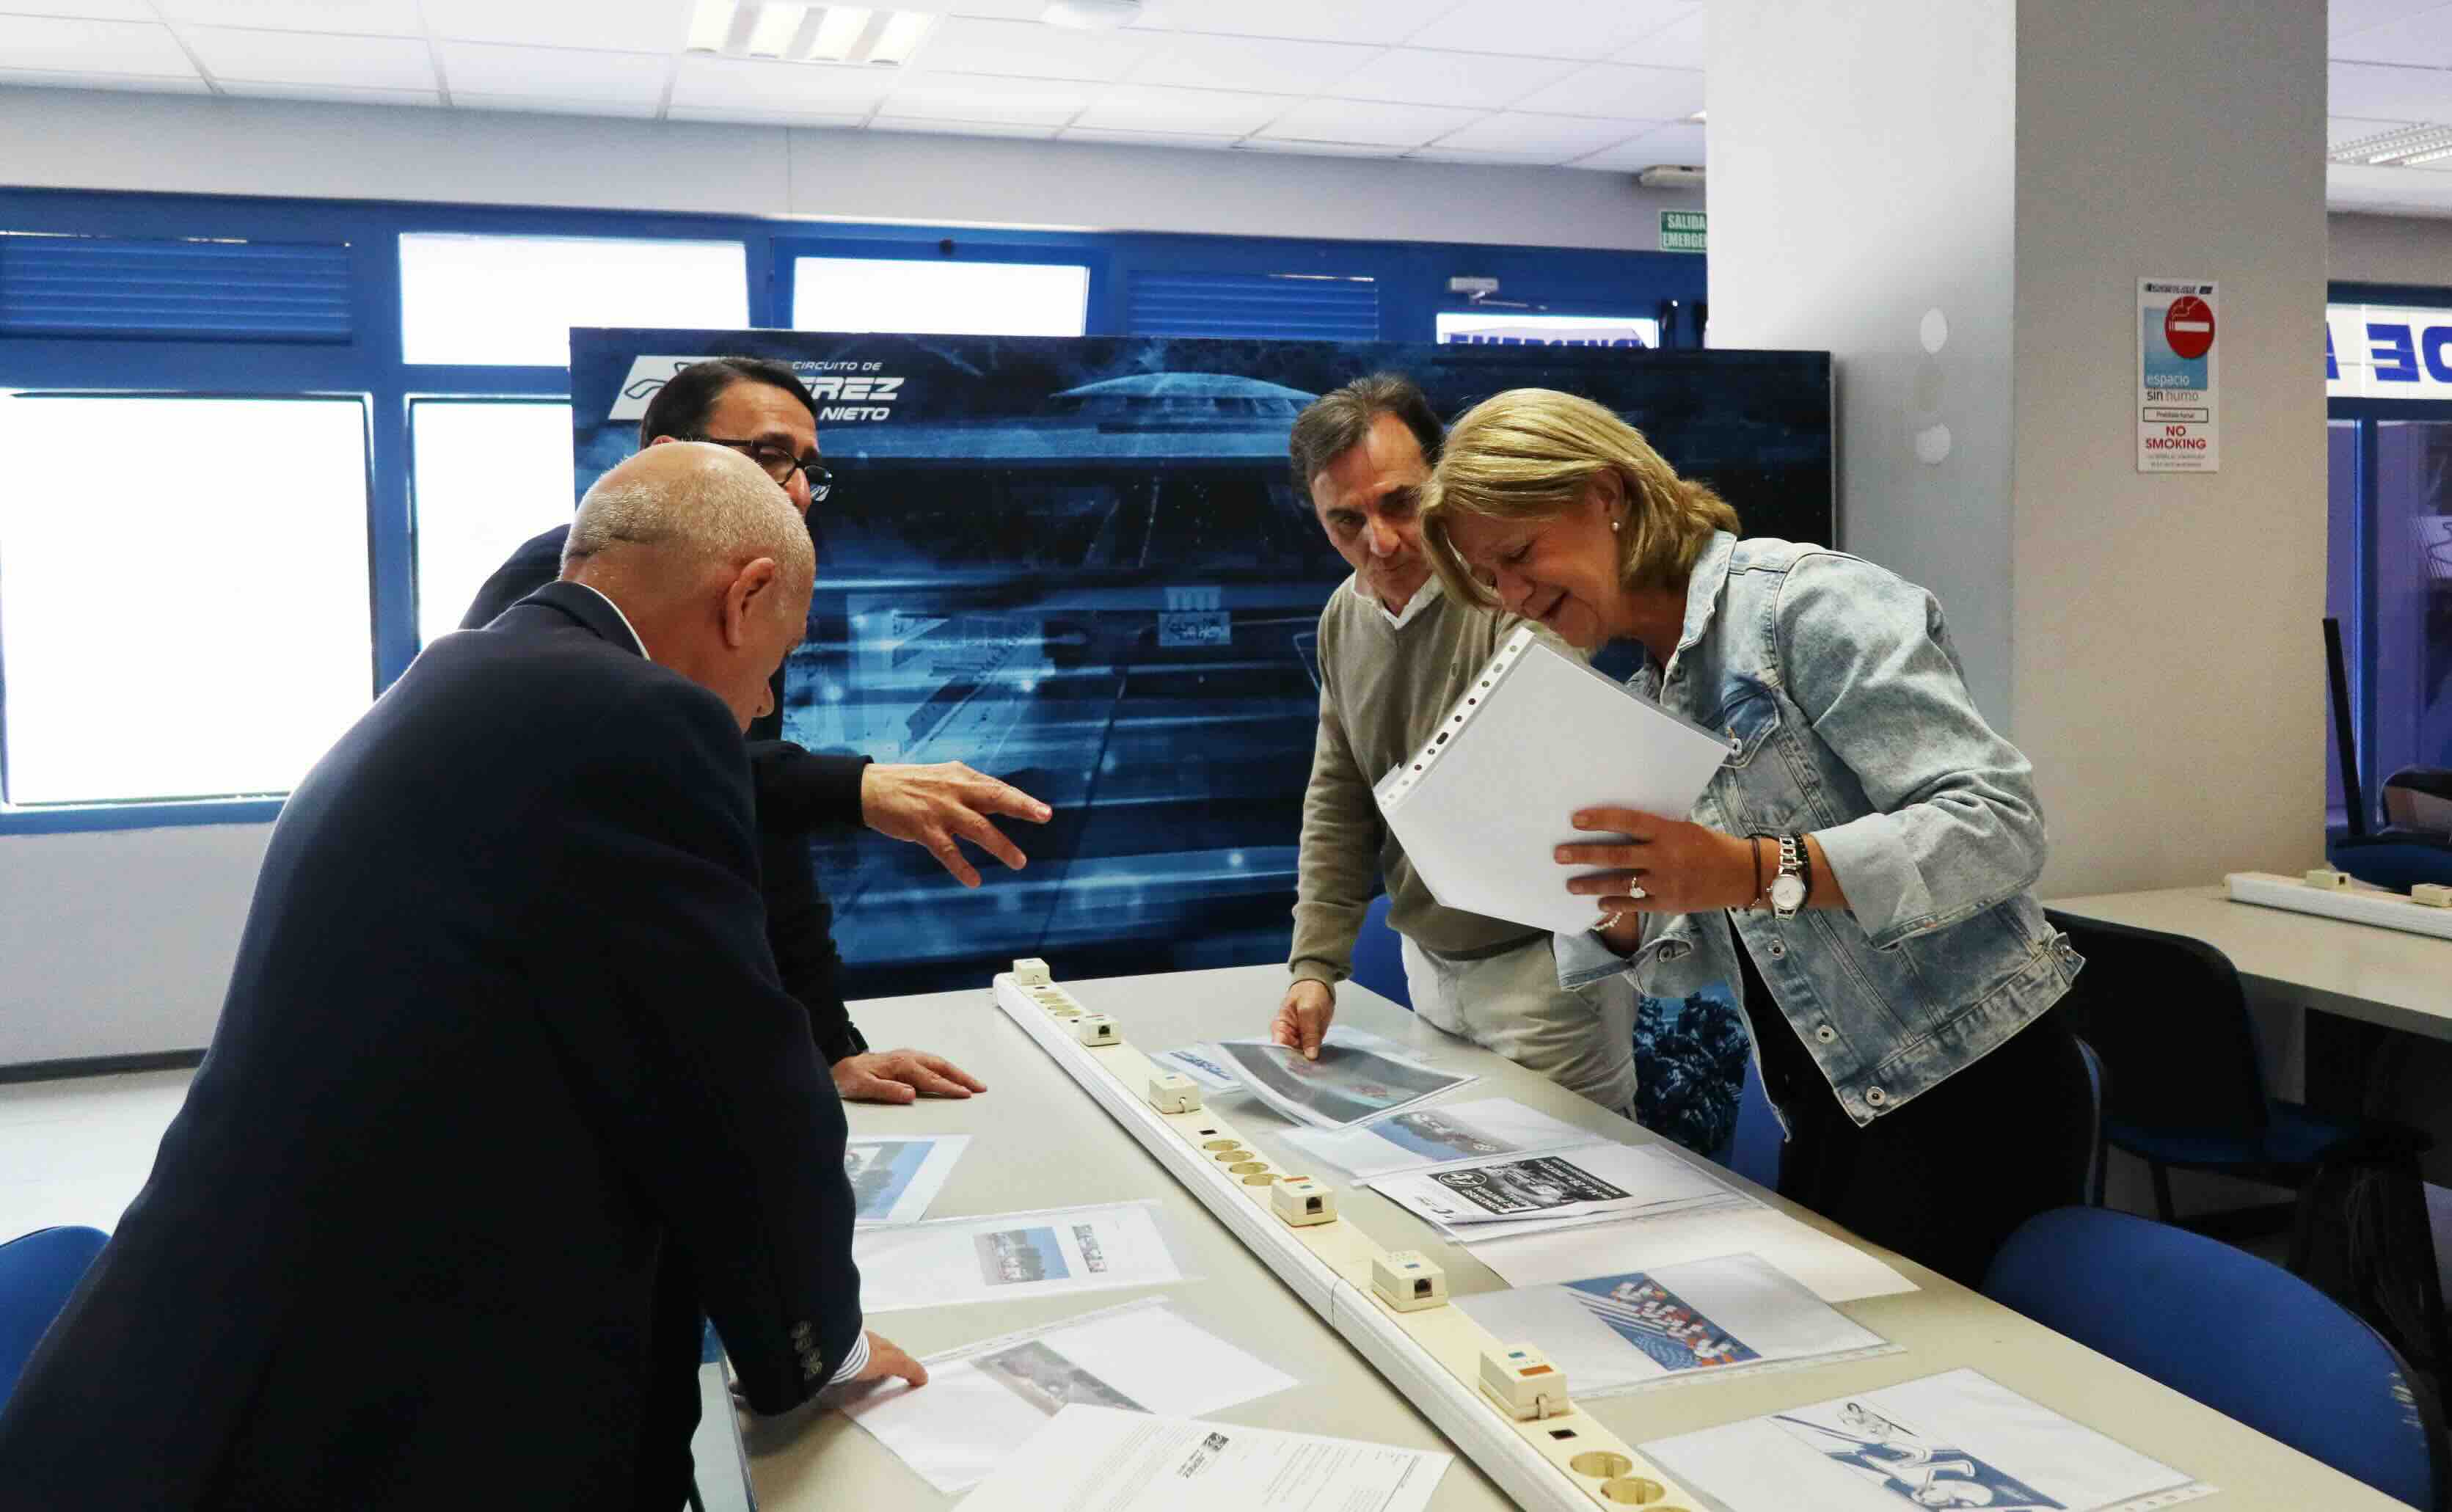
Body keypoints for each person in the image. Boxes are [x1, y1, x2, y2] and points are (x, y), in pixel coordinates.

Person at [0, 445, 924, 1511]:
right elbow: (734, 1085)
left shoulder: (472, 667)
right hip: (357, 1412)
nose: (763, 705)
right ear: (746, 595)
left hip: (208, 1345)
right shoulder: (635, 721)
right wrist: (821, 1349)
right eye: (777, 661)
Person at [1417, 388, 2083, 1287]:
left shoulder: (1804, 607)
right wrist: (1618, 907)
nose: (1514, 595)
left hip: (1969, 1091)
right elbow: (1698, 962)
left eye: (1520, 554)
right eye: (1489, 580)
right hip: (1827, 1097)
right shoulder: (1652, 700)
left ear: (1606, 496)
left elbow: (1998, 824)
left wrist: (1752, 869)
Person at [464, 355, 1053, 1106]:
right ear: (666, 460)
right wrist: (855, 786)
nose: (800, 489)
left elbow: (755, 819)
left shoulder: (750, 583)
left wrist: (829, 1045)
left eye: (809, 466)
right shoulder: (569, 581)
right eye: (772, 456)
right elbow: (625, 763)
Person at [1268, 375, 1638, 1116]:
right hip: (1429, 967)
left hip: (1544, 972)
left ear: (1443, 479)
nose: (1379, 542)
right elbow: (1340, 803)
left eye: (1400, 504)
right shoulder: (1344, 617)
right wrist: (1314, 966)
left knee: (1587, 1192)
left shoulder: (1511, 592)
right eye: (1345, 522)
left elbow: (1579, 776)